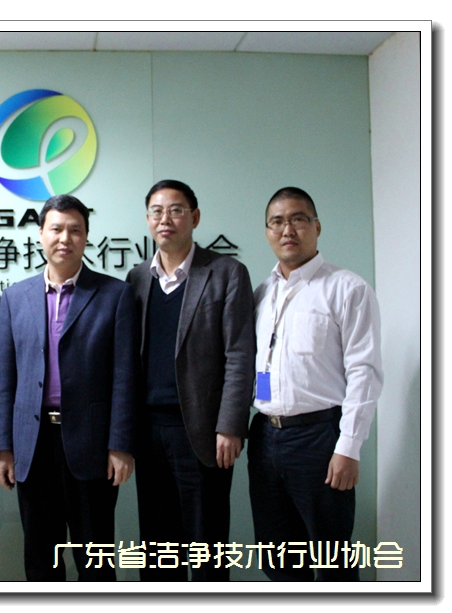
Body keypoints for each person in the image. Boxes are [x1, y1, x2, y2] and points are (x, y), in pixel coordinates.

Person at [0, 194, 138, 581]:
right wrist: (4, 447)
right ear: (41, 234)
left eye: (75, 230)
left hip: (92, 444)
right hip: (33, 444)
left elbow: (125, 376)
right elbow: (5, 379)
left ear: (86, 236)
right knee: (42, 559)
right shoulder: (15, 298)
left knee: (95, 559)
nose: (65, 238)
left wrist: (120, 444)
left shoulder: (115, 295)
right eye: (56, 229)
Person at [249, 187, 383, 581]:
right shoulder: (262, 293)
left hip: (319, 439)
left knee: (332, 560)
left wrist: (349, 447)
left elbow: (365, 372)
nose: (287, 230)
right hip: (265, 437)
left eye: (298, 219)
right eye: (277, 222)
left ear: (317, 227)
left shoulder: (347, 289)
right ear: (267, 231)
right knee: (278, 560)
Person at [125, 180, 255, 581]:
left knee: (206, 545)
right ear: (148, 219)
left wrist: (230, 425)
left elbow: (240, 355)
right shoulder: (136, 279)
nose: (166, 219)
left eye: (176, 210)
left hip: (201, 431)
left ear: (194, 217)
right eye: (157, 211)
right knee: (157, 548)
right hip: (149, 433)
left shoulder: (226, 273)